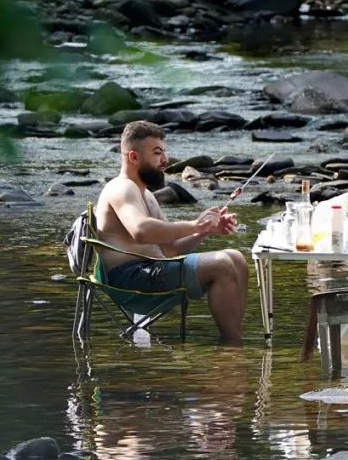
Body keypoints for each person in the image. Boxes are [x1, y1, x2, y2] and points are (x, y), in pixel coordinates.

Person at [95, 120, 247, 344]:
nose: (165, 160)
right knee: (222, 264)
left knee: (236, 258)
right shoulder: (122, 188)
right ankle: (232, 347)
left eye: (164, 152)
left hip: (151, 271)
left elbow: (171, 248)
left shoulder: (145, 194)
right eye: (157, 153)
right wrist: (195, 223)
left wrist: (205, 230)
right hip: (130, 279)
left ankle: (233, 338)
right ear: (134, 157)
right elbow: (141, 231)